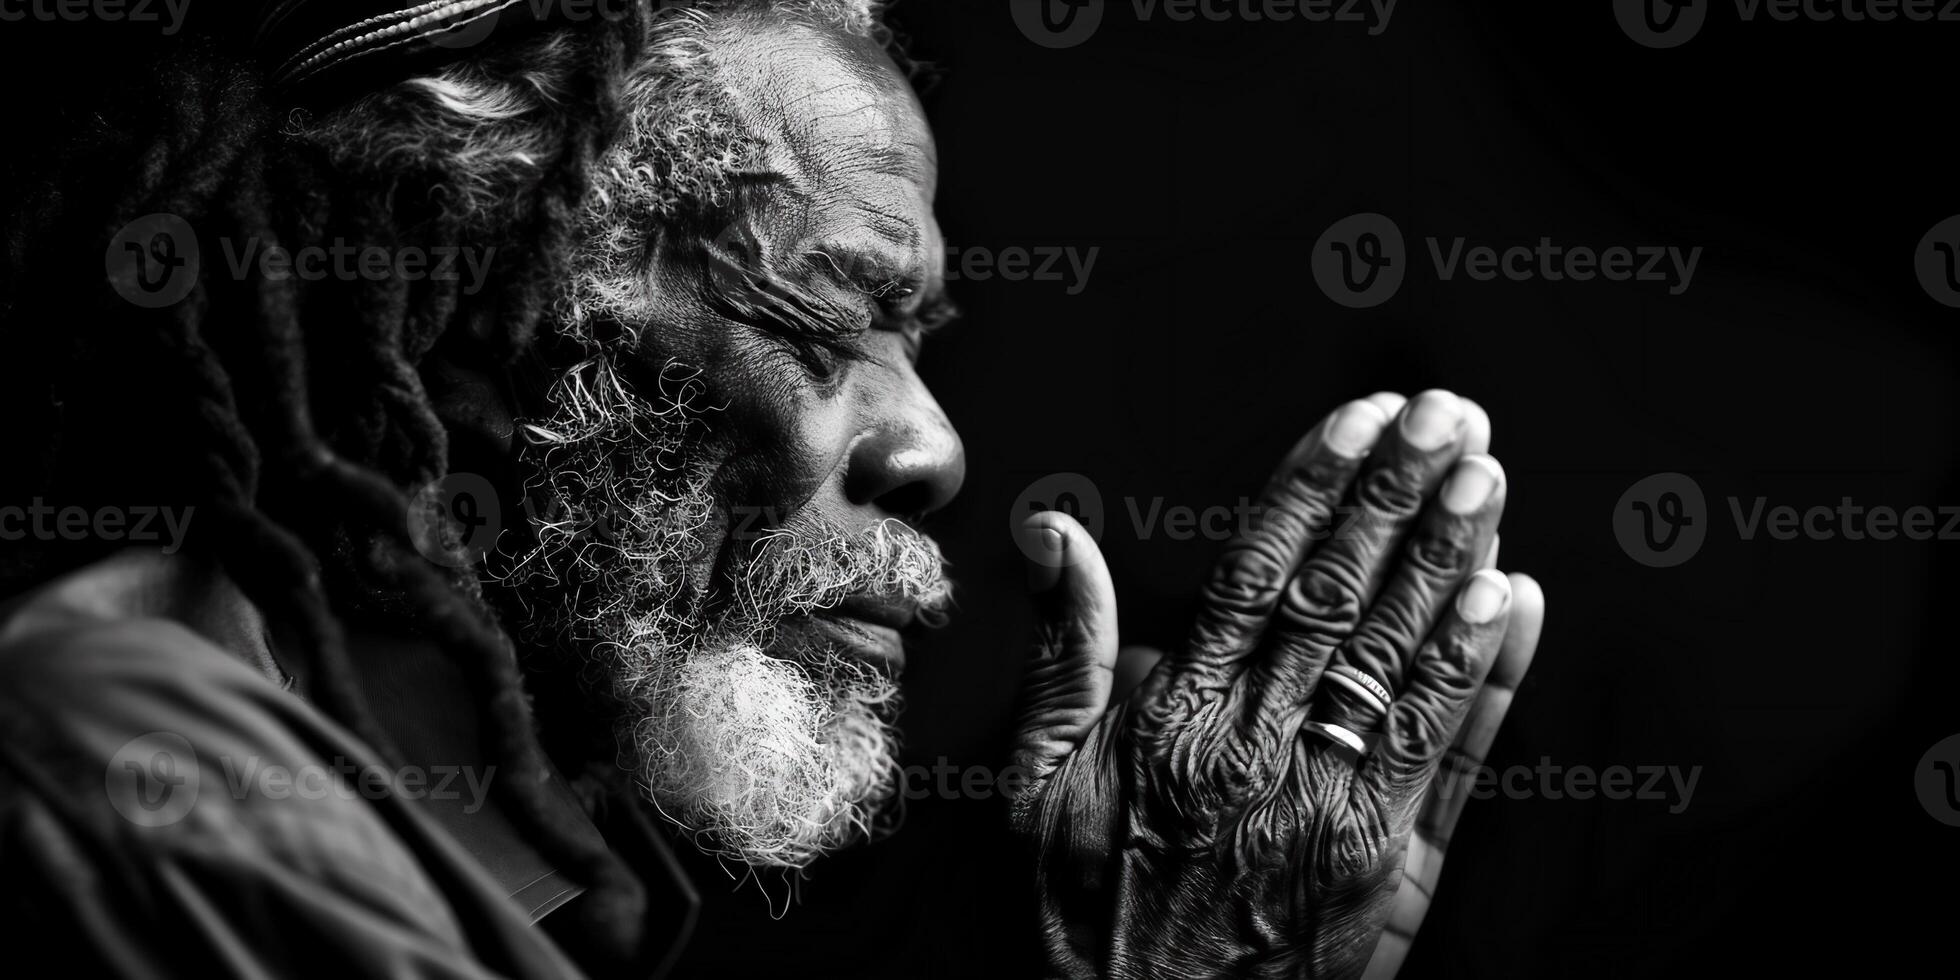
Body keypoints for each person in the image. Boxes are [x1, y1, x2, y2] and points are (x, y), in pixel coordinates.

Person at [0, 2, 1546, 976]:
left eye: (919, 340)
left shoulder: (489, 884)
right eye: (821, 316)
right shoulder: (130, 783)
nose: (935, 451)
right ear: (458, 293)